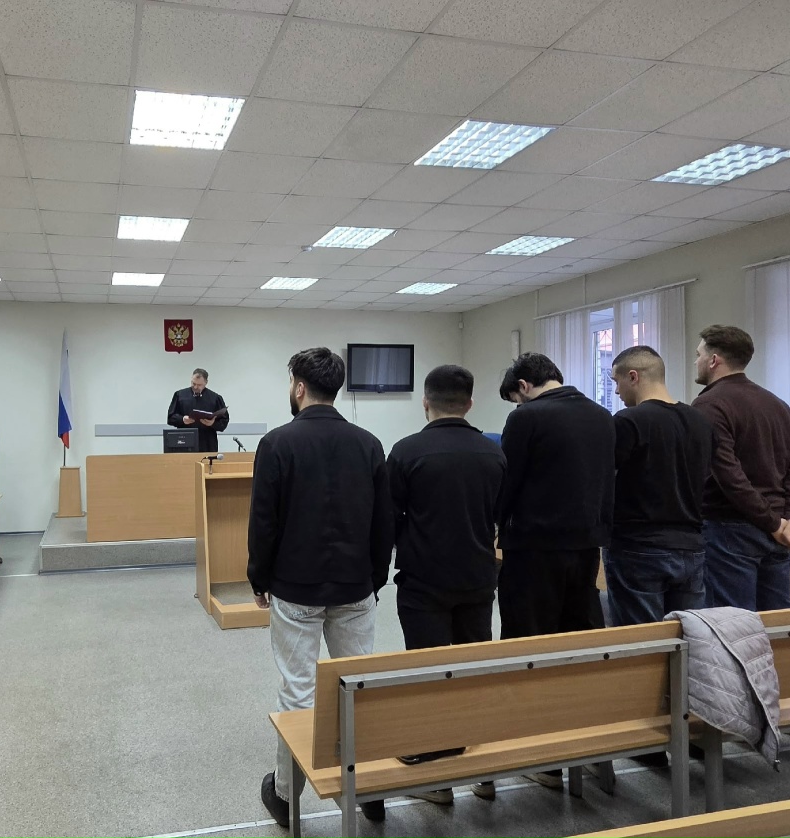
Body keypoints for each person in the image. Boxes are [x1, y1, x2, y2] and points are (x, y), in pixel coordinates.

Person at [248, 347, 393, 828]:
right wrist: (374, 578)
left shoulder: (277, 443)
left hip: (296, 588)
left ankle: (286, 797)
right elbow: (383, 522)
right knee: (356, 687)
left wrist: (259, 577)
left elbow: (264, 521)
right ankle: (367, 789)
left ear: (299, 387)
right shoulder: (368, 443)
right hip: (355, 585)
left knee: (298, 691)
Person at [387, 364, 506, 804]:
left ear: (425, 402)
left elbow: (389, 517)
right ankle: (482, 769)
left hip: (423, 581)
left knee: (429, 671)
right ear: (469, 403)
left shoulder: (406, 451)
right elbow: (500, 515)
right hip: (478, 579)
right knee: (472, 669)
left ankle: (437, 778)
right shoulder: (494, 453)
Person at [496, 352, 614, 790]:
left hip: (533, 548)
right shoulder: (602, 415)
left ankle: (540, 757)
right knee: (578, 644)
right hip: (586, 548)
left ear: (524, 386)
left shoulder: (527, 418)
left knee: (528, 644)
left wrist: (495, 525)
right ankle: (588, 747)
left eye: (515, 398)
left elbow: (507, 482)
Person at [691, 325, 790, 611]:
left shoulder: (708, 405)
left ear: (713, 360)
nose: (696, 361)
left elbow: (728, 476)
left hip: (729, 529)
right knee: (778, 618)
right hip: (776, 529)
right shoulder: (777, 405)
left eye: (698, 355)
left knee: (732, 621)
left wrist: (774, 523)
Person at [607, 346, 714, 627]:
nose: (616, 391)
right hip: (691, 546)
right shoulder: (700, 422)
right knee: (690, 636)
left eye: (616, 381)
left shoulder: (628, 422)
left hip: (638, 547)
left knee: (642, 641)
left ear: (633, 377)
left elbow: (606, 479)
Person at [167, 368, 230, 452]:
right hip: (184, 442)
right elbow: (170, 418)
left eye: (199, 385)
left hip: (207, 443)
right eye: (193, 383)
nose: (195, 387)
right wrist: (182, 419)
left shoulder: (215, 398)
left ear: (206, 383)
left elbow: (224, 421)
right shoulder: (179, 395)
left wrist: (213, 423)